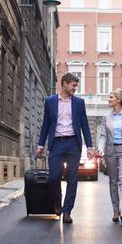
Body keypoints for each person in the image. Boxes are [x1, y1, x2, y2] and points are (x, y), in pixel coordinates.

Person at [36, 73, 94, 223]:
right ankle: (57, 200)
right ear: (64, 84)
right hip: (56, 143)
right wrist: (41, 145)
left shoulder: (79, 103)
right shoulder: (50, 101)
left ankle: (67, 211)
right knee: (53, 176)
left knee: (72, 179)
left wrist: (89, 147)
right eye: (73, 85)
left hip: (73, 144)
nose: (75, 88)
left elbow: (85, 126)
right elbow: (46, 124)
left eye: (76, 85)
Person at [98, 89, 122, 222]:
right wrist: (101, 150)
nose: (109, 99)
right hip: (110, 151)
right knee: (113, 182)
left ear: (118, 100)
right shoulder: (106, 117)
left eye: (111, 97)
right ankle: (115, 211)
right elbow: (103, 136)